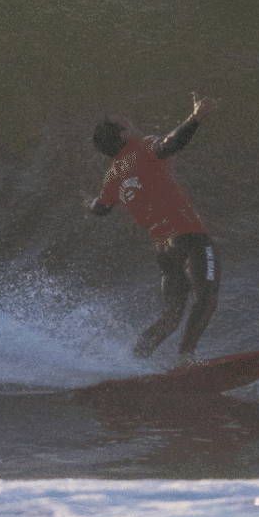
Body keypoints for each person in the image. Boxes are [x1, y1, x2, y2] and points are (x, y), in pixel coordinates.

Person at [87, 92, 222, 363]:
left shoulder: (112, 176)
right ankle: (186, 356)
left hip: (164, 250)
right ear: (123, 136)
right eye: (126, 125)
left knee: (172, 315)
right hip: (189, 237)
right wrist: (195, 118)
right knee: (206, 297)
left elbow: (101, 208)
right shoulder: (142, 146)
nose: (131, 125)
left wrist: (88, 204)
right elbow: (171, 144)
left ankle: (134, 360)